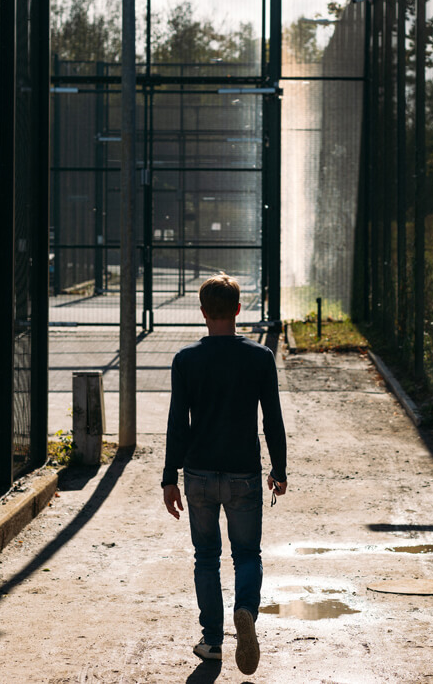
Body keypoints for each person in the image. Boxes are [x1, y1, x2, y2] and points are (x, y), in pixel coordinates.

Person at [162, 273, 288, 676]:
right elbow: (272, 420)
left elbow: (176, 423)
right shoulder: (259, 358)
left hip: (198, 473)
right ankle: (246, 611)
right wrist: (279, 469)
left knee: (206, 557)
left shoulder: (185, 360)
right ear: (238, 309)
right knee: (247, 553)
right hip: (244, 474)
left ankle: (212, 641)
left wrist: (169, 477)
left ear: (202, 313)